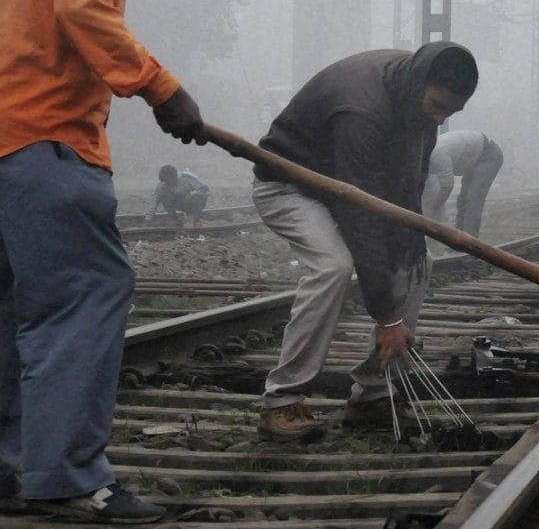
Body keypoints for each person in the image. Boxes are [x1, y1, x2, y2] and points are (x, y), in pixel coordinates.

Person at [0, 0, 203, 524]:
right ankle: (70, 479)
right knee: (86, 294)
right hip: (44, 132)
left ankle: (12, 466)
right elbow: (85, 6)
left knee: (10, 309)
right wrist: (158, 87)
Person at [253, 44, 478, 442]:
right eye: (438, 106)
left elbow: (407, 189)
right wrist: (387, 318)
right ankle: (281, 400)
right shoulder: (361, 109)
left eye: (451, 113)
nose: (440, 119)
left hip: (348, 188)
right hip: (290, 185)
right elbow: (360, 215)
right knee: (333, 266)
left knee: (414, 259)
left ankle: (374, 397)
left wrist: (409, 246)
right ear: (421, 83)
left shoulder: (418, 100)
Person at [421, 130, 504, 237]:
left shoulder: (437, 154)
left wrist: (436, 206)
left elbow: (447, 186)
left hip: (488, 155)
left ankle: (470, 242)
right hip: (474, 157)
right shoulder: (428, 155)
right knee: (462, 200)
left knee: (473, 197)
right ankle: (460, 239)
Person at [146, 164, 210, 227]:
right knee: (163, 196)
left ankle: (197, 220)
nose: (166, 183)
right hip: (179, 203)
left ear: (174, 177)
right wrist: (148, 219)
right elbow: (154, 200)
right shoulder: (163, 184)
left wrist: (193, 193)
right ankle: (174, 219)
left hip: (194, 202)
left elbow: (205, 189)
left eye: (168, 180)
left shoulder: (187, 177)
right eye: (165, 181)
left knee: (196, 198)